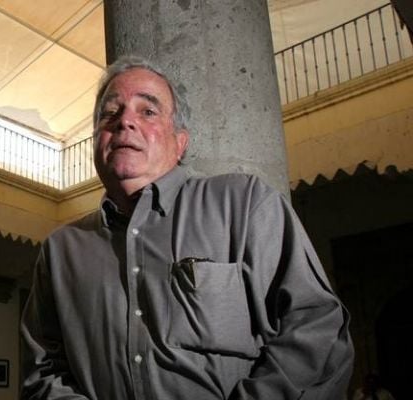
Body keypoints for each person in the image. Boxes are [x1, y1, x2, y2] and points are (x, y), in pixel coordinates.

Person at [20, 55, 354, 399]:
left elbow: (316, 326)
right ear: (95, 140)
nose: (125, 122)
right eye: (110, 113)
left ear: (180, 142)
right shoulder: (59, 251)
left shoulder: (244, 204)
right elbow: (43, 373)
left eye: (147, 111)